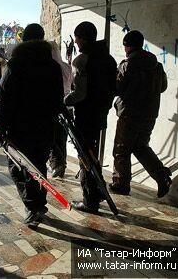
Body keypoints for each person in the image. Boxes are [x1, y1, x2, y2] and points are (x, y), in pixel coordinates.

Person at [0, 24, 64, 226]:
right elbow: (58, 98)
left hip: (19, 126)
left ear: (24, 40)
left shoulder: (16, 64)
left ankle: (32, 206)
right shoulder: (52, 65)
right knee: (38, 165)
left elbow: (4, 97)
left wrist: (0, 125)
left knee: (18, 166)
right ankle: (39, 203)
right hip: (44, 125)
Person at [110, 30, 172, 198]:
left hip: (129, 115)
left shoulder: (127, 64)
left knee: (121, 150)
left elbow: (117, 88)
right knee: (140, 146)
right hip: (150, 114)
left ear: (127, 46)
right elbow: (163, 87)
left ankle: (120, 183)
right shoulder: (157, 65)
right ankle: (162, 176)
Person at [64, 21, 117, 213]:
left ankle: (90, 200)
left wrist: (64, 101)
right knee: (92, 154)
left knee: (85, 156)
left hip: (86, 115)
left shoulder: (82, 60)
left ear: (81, 38)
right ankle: (98, 190)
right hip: (101, 113)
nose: (75, 42)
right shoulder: (109, 59)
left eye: (77, 38)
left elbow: (80, 93)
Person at [48, 41, 73, 178]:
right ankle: (61, 164)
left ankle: (56, 164)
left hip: (53, 105)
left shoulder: (49, 68)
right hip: (66, 107)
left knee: (51, 137)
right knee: (61, 137)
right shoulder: (67, 67)